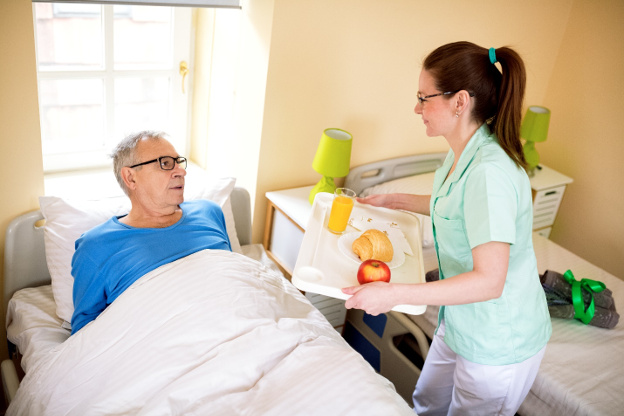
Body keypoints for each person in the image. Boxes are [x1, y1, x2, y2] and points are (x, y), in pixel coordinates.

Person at [342, 41, 552, 415]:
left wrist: (394, 295)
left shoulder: (490, 172)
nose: (416, 108)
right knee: (427, 402)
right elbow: (455, 209)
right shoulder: (462, 152)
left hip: (496, 340)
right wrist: (396, 201)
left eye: (425, 98)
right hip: (458, 322)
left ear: (460, 102)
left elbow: (490, 281)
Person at [70, 131, 231, 334]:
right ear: (130, 177)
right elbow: (84, 335)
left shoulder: (209, 212)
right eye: (165, 163)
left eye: (179, 162)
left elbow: (235, 277)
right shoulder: (96, 247)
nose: (181, 171)